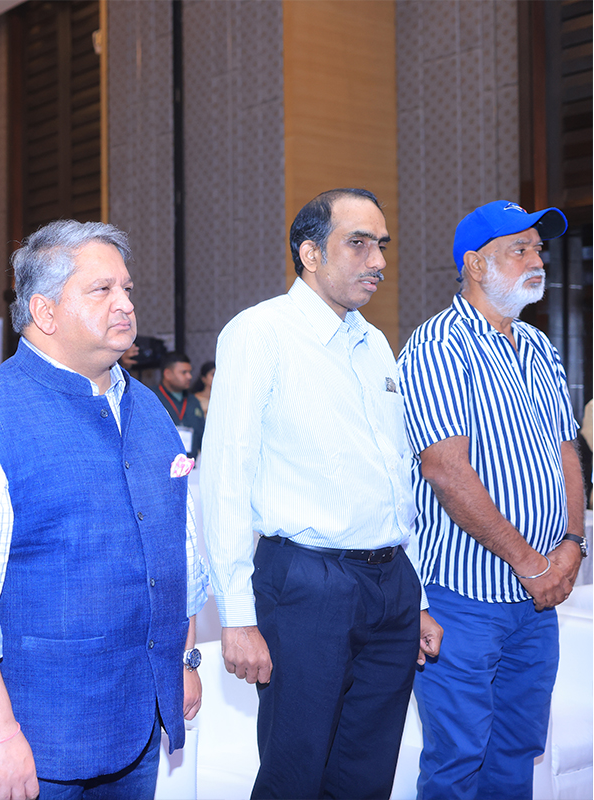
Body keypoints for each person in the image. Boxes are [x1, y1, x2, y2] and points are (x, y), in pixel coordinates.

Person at [0, 220, 209, 800]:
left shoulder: (148, 409)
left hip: (136, 720)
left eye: (127, 288)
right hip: (33, 735)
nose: (125, 304)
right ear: (44, 312)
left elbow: (179, 549)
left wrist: (184, 659)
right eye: (102, 290)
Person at [200, 188, 442, 800]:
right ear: (310, 253)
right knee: (295, 773)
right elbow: (225, 476)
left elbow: (393, 476)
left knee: (368, 773)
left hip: (390, 582)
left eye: (381, 245)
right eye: (357, 243)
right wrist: (237, 616)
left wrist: (412, 596)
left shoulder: (376, 343)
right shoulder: (260, 333)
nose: (377, 261)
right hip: (307, 583)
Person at [398, 201, 586, 800]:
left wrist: (572, 543)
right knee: (458, 758)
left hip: (537, 597)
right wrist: (533, 563)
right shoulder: (437, 345)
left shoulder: (538, 345)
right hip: (465, 598)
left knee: (517, 749)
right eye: (519, 250)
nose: (538, 261)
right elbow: (447, 473)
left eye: (539, 250)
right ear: (476, 265)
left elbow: (567, 452)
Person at [155, 352, 204, 456]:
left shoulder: (193, 401)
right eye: (184, 372)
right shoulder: (152, 398)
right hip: (163, 462)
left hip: (191, 462)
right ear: (168, 374)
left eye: (190, 372)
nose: (189, 376)